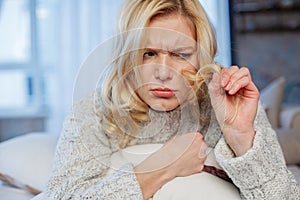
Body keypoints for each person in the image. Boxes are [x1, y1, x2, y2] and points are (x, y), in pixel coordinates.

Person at [45, 0, 300, 199]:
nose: (164, 73)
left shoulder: (229, 104)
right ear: (126, 57)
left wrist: (241, 136)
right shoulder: (94, 112)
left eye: (180, 54)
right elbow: (61, 196)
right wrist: (164, 166)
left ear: (202, 57)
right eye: (148, 53)